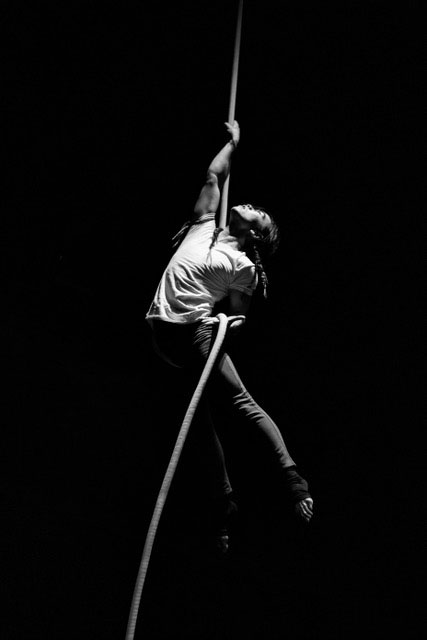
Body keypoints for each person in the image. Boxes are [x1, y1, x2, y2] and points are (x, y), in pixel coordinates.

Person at [146, 120, 313, 553]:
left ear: (255, 232)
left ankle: (292, 481)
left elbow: (238, 313)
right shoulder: (204, 225)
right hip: (162, 338)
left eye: (258, 212)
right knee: (196, 425)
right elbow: (213, 175)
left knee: (238, 403)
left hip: (196, 334)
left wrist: (231, 324)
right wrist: (233, 143)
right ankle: (224, 505)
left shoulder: (244, 269)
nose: (250, 204)